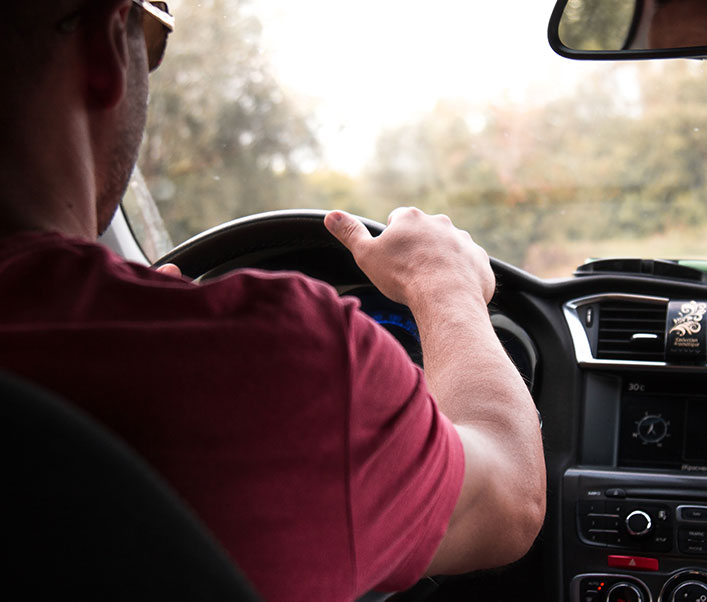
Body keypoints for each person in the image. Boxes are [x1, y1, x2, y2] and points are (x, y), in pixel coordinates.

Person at [0, 1, 546, 599]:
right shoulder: (277, 365)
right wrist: (444, 285)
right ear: (108, 49)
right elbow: (510, 497)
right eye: (153, 36)